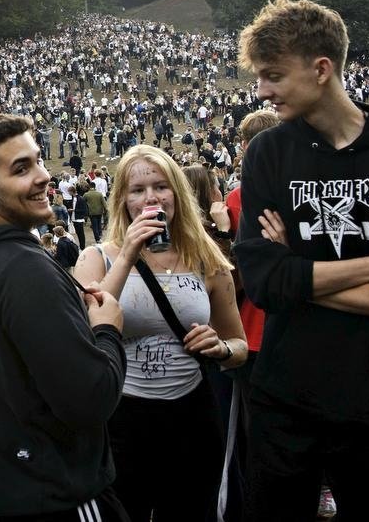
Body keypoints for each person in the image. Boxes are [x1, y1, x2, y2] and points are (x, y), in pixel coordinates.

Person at [234, 0, 369, 521]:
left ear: (321, 68)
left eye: (274, 75)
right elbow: (262, 280)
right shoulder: (268, 154)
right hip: (285, 396)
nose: (262, 91)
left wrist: (298, 276)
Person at [0, 113, 129, 521]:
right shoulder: (23, 269)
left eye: (37, 160)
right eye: (21, 168)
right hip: (44, 491)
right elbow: (90, 398)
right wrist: (107, 330)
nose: (42, 176)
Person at [74, 144, 248, 522]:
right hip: (121, 416)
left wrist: (219, 347)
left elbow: (240, 346)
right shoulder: (95, 258)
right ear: (122, 199)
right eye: (137, 190)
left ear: (177, 195)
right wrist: (128, 254)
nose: (150, 197)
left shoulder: (208, 260)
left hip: (192, 415)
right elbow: (86, 331)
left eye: (160, 186)